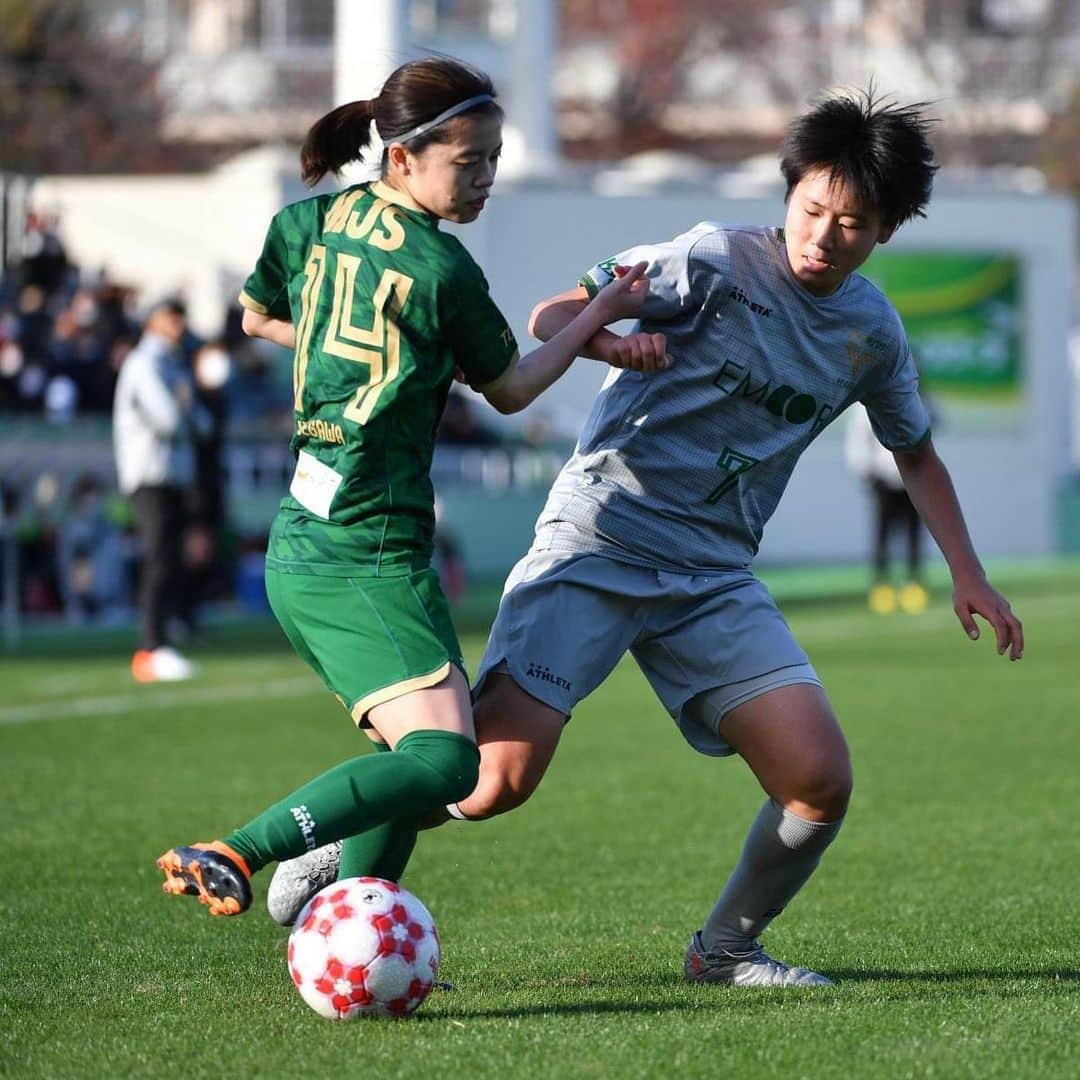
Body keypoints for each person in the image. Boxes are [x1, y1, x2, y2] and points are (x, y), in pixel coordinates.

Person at [269, 89, 1024, 987]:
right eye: (812, 210)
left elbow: (917, 453)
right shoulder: (711, 260)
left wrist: (968, 575)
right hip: (600, 538)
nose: (823, 237)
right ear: (788, 194)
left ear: (887, 231)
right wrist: (615, 345)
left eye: (852, 224)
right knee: (492, 780)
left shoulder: (871, 335)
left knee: (819, 780)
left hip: (710, 574)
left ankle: (726, 951)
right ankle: (345, 830)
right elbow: (555, 317)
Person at [155, 56, 665, 917]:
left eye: (495, 160)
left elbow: (257, 317)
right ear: (402, 158)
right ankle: (237, 851)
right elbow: (511, 388)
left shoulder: (305, 221)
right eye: (470, 162)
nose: (487, 179)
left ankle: (357, 920)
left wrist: (391, 366)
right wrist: (598, 315)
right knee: (445, 765)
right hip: (366, 551)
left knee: (422, 758)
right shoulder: (440, 269)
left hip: (311, 538)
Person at [112, 300, 210, 682]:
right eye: (172, 319)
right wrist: (185, 403)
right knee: (158, 560)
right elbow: (169, 417)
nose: (179, 327)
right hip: (150, 474)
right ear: (153, 321)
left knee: (171, 560)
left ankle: (162, 642)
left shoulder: (171, 363)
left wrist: (186, 405)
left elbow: (199, 423)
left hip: (172, 476)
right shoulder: (144, 363)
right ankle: (149, 649)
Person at [844, 400, 928, 614]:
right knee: (883, 534)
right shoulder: (865, 407)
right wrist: (866, 472)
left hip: (912, 479)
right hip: (883, 478)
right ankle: (882, 587)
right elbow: (858, 441)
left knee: (914, 533)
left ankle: (913, 583)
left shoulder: (916, 398)